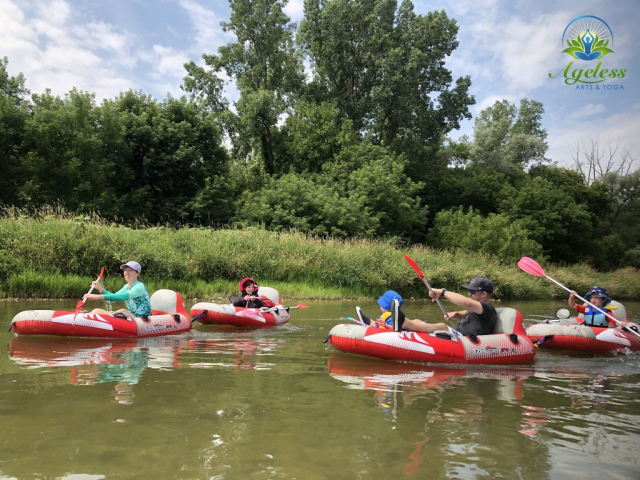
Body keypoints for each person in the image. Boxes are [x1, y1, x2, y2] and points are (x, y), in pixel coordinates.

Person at [392, 277, 498, 336]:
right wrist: (456, 314)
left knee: (442, 326)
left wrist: (442, 292)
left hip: (466, 341)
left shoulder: (487, 309)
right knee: (418, 320)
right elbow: (467, 312)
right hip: (459, 335)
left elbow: (467, 303)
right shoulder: (479, 310)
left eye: (472, 291)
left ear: (483, 294)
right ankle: (401, 327)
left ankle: (405, 323)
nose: (469, 294)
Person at [83, 261, 152, 319]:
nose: (127, 273)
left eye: (130, 270)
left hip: (143, 319)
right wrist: (100, 288)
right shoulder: (126, 287)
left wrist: (97, 296)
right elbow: (114, 297)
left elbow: (123, 297)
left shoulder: (139, 286)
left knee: (123, 311)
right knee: (96, 310)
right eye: (125, 270)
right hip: (132, 317)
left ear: (137, 273)